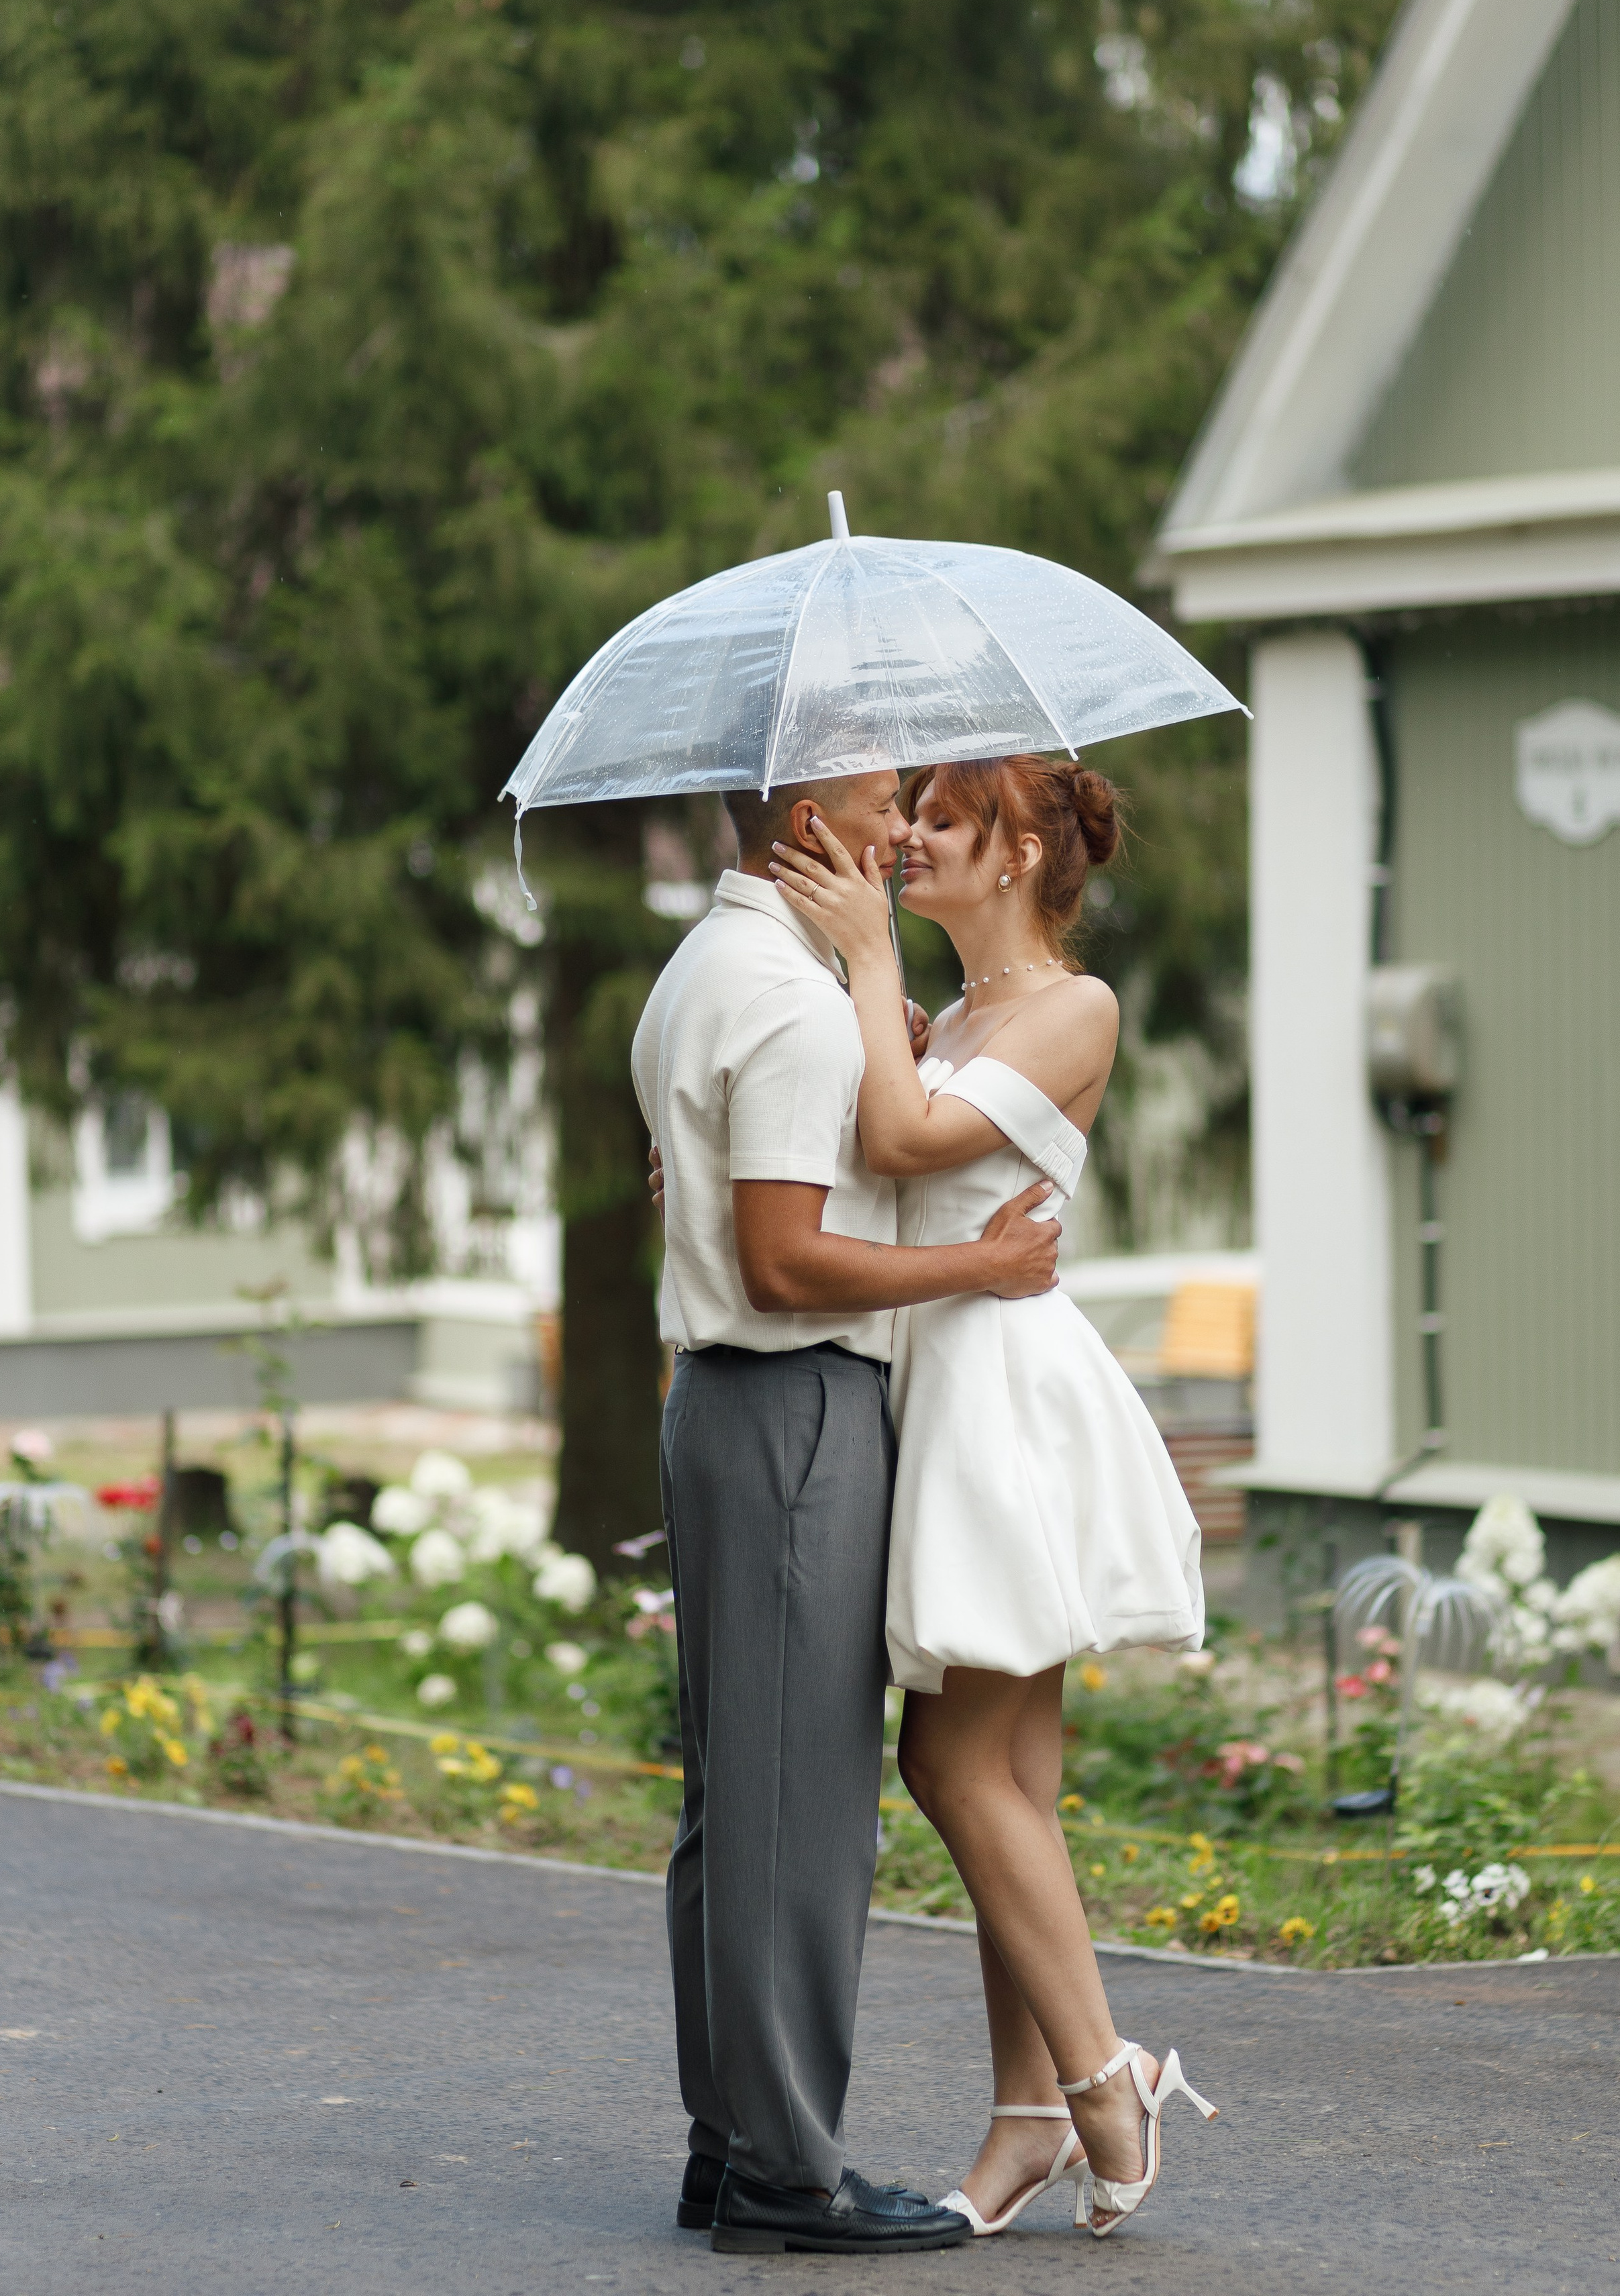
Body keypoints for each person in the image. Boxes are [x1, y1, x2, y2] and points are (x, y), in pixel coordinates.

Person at [769, 754, 1215, 2241]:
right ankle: (1026, 2118)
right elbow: (860, 1159)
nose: (906, 844)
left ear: (1018, 851)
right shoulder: (942, 1018)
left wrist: (862, 963)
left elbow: (906, 1145)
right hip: (940, 1382)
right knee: (1005, 1780)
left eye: (943, 824)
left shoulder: (1067, 1009)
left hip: (1005, 1402)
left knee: (948, 1769)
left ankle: (1099, 2079)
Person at [630, 764, 1064, 2256]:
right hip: (796, 1402)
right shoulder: (801, 1005)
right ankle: (786, 2175)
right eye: (884, 802)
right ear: (807, 822)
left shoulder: (710, 963)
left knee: (731, 1803)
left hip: (721, 1405)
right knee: (795, 1809)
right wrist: (977, 1270)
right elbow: (784, 1264)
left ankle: (730, 2144)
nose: (898, 830)